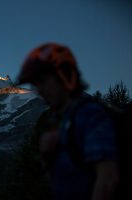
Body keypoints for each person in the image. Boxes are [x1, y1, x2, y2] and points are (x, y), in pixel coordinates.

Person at [16, 43, 119, 200]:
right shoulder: (57, 123)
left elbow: (108, 179)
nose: (40, 90)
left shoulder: (90, 115)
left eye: (43, 81)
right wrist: (46, 157)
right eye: (36, 85)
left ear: (64, 74)